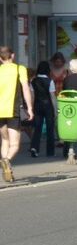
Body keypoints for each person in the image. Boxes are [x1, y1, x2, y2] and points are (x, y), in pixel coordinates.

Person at [0, 47, 33, 182]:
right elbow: (25, 88)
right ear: (12, 55)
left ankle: (6, 167)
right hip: (12, 110)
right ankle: (6, 161)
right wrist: (29, 108)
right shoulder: (20, 69)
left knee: (4, 140)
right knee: (14, 144)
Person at [29, 60, 56, 158]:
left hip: (37, 106)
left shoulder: (33, 81)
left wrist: (30, 108)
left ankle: (34, 147)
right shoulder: (50, 81)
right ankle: (50, 151)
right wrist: (56, 110)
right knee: (50, 129)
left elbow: (32, 96)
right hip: (48, 106)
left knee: (37, 128)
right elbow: (53, 97)